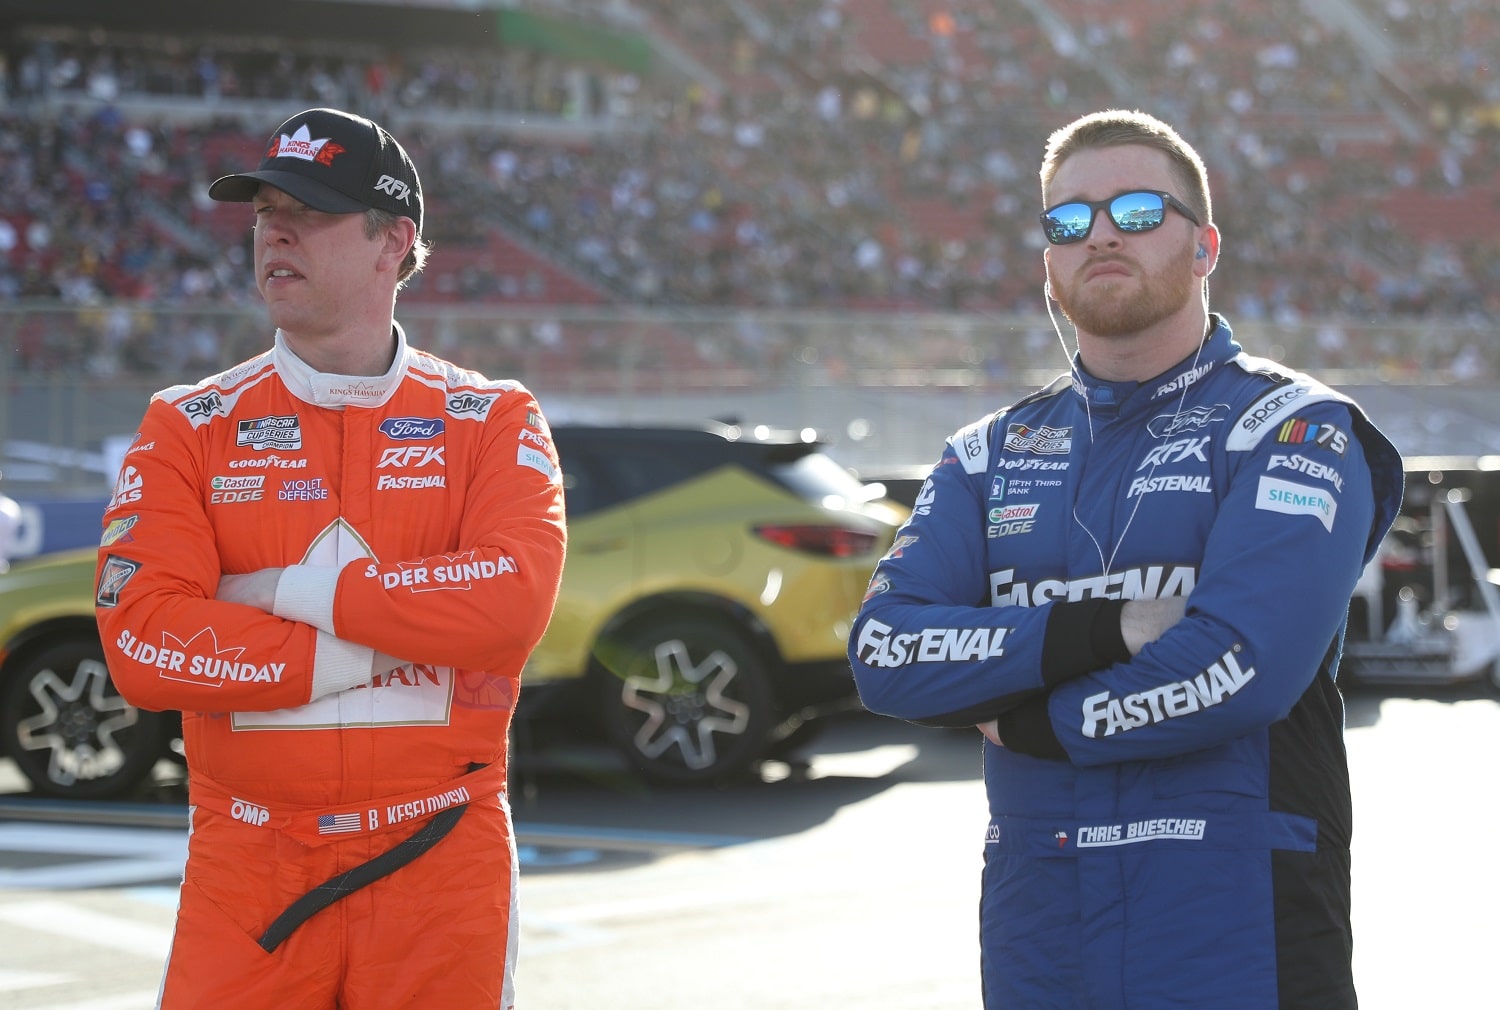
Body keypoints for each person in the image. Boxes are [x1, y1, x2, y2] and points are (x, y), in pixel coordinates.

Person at [848, 109, 1403, 1010]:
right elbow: (884, 652)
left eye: (1139, 210)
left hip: (1239, 930)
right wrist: (1105, 628)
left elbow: (1239, 665)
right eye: (1068, 221)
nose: (1100, 232)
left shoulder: (1294, 427)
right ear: (1048, 263)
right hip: (1042, 931)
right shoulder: (987, 453)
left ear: (1205, 245)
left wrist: (1028, 721)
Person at [93, 107, 566, 1010]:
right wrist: (370, 647)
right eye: (265, 210)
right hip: (248, 866)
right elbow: (143, 647)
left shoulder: (493, 419)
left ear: (395, 241)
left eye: (308, 210)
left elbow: (512, 603)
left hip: (440, 865)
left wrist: (277, 592)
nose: (275, 230)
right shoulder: (186, 424)